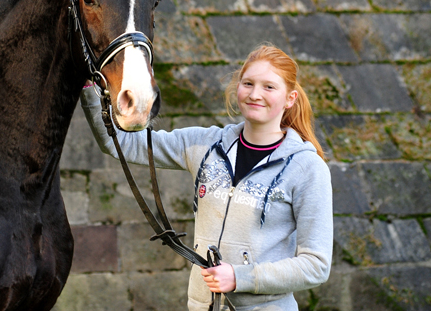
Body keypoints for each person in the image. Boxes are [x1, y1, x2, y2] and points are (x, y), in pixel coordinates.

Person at [80, 44, 333, 311]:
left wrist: (240, 277)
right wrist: (88, 88)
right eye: (248, 83)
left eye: (269, 87)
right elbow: (121, 143)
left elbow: (316, 266)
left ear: (290, 98)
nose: (255, 94)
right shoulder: (204, 144)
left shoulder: (306, 168)